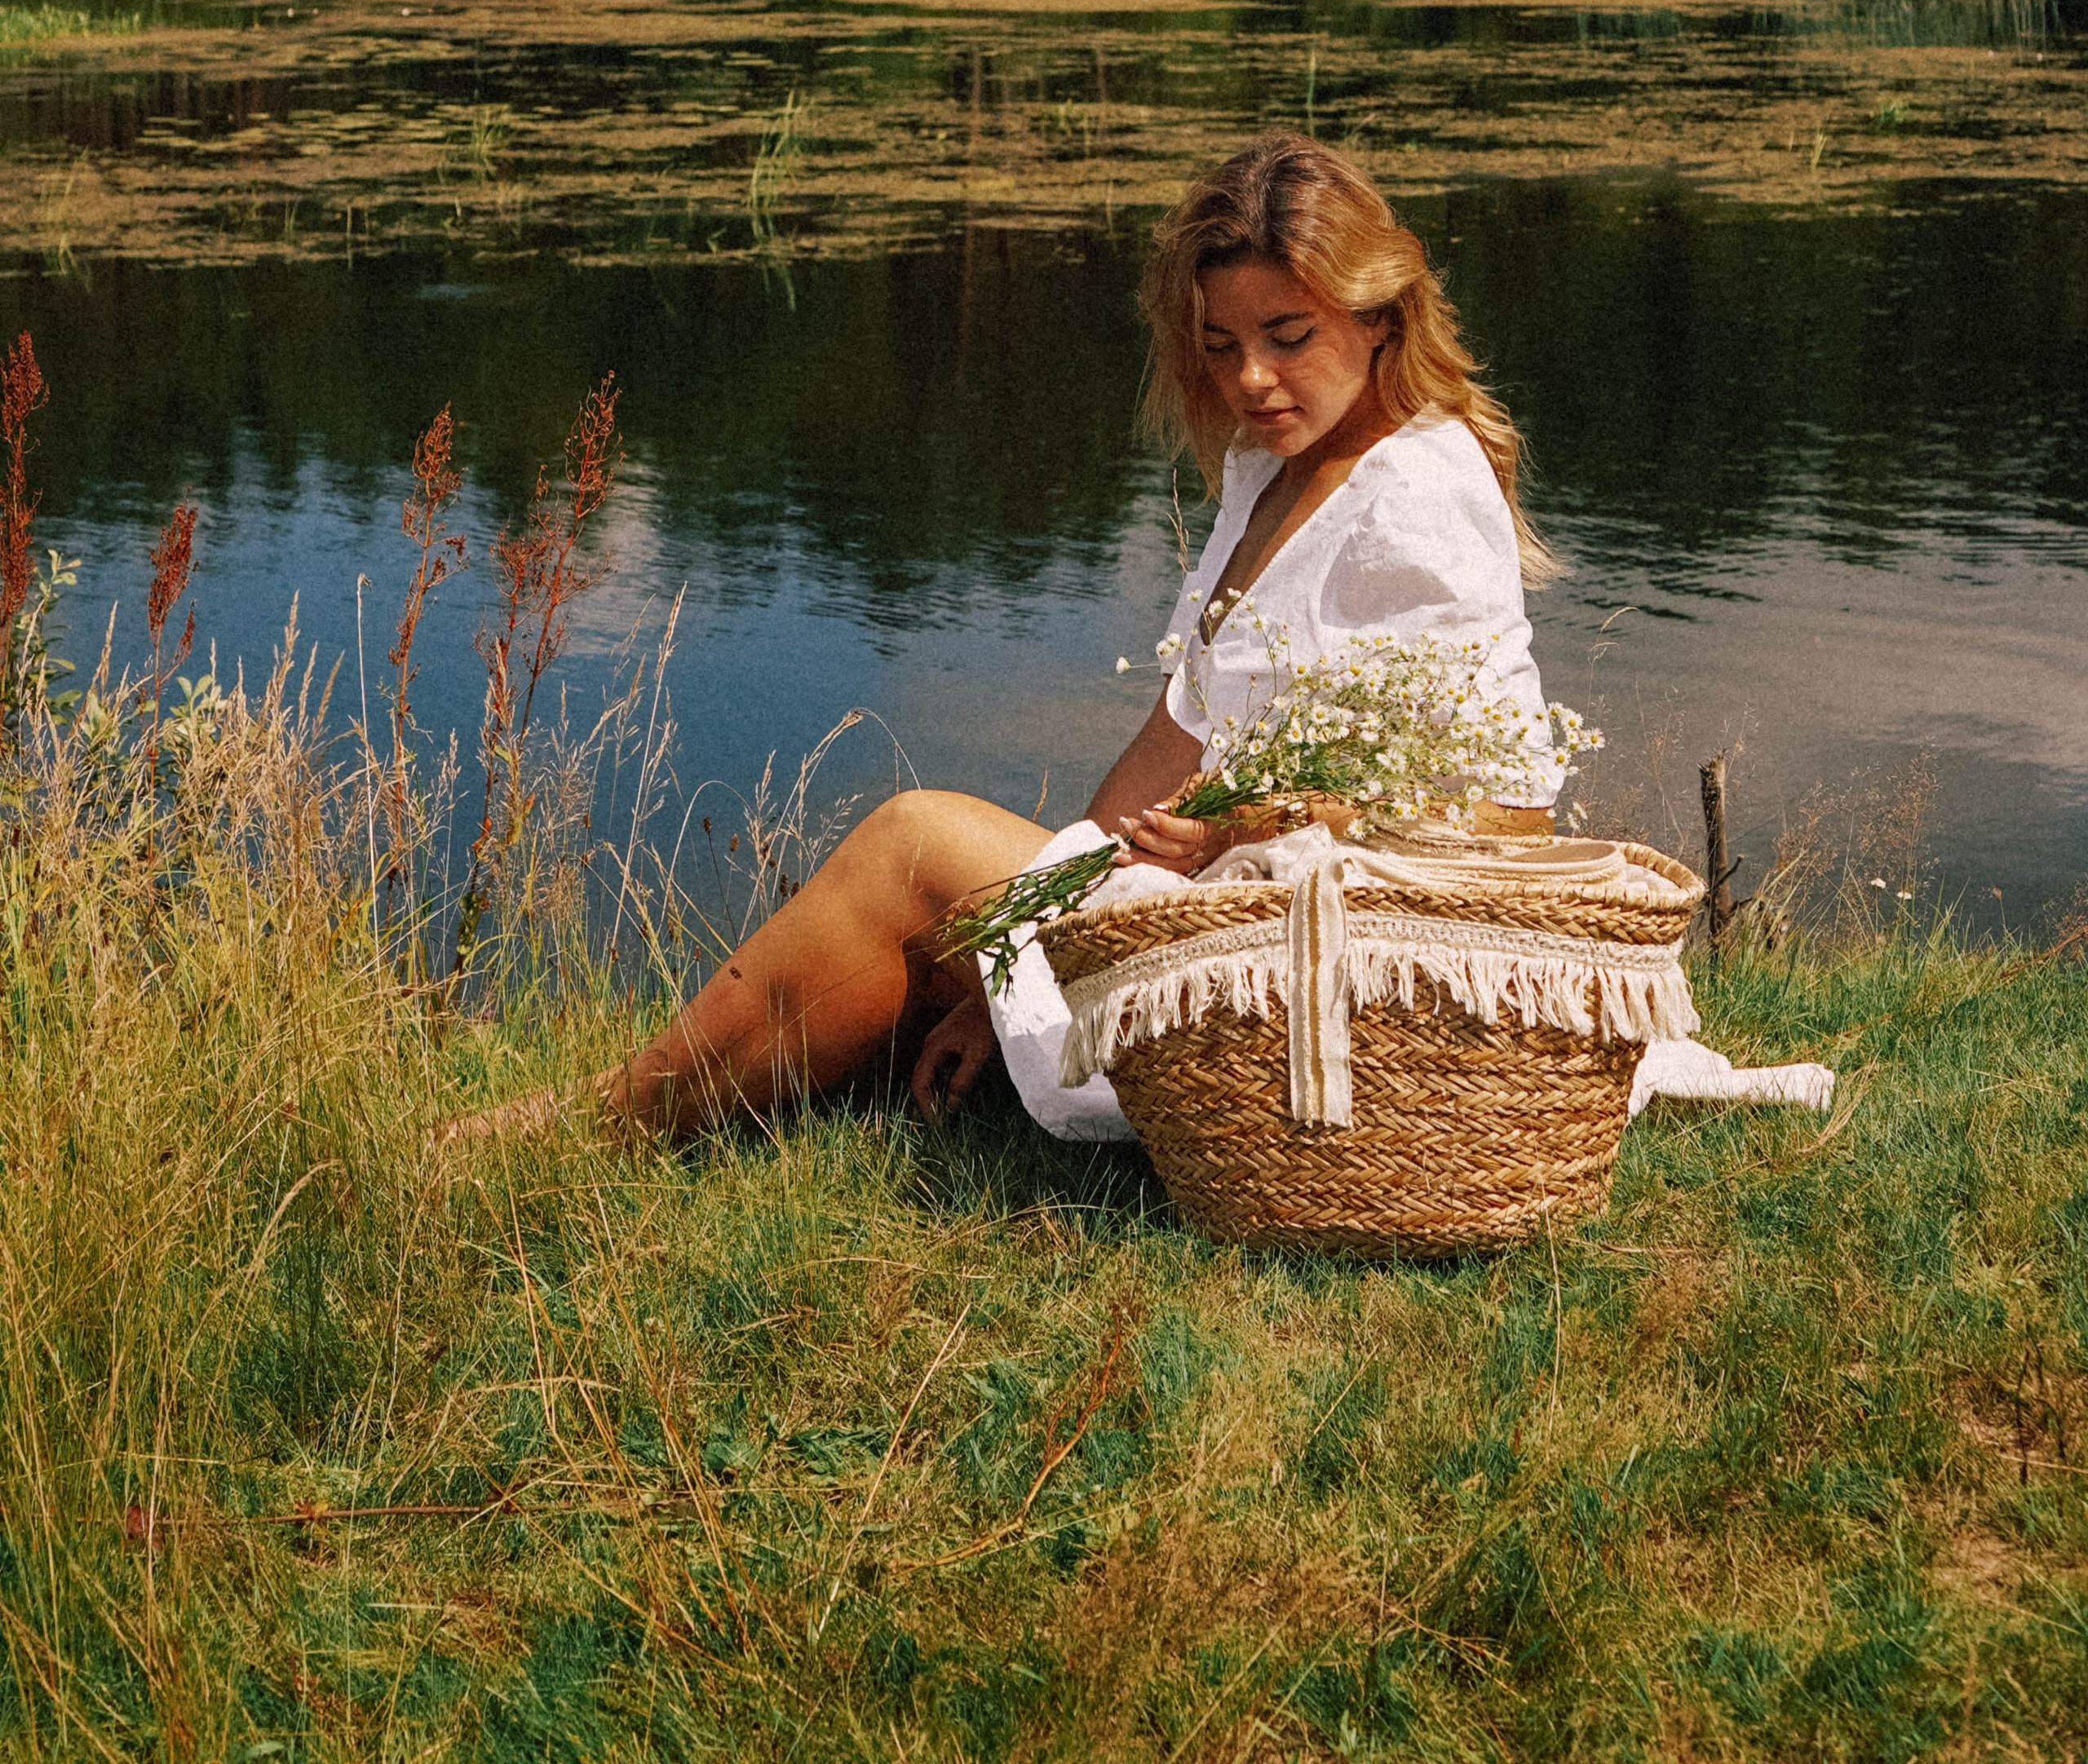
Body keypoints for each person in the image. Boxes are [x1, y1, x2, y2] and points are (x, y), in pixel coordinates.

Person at [490, 132, 1562, 1144]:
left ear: (1380, 316)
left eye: (1290, 339)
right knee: (934, 942)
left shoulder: (1414, 491)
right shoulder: (1273, 470)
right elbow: (1172, 743)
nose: (1250, 383)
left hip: (1338, 961)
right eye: (1222, 345)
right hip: (1230, 910)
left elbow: (1511, 822)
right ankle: (647, 1109)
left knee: (915, 842)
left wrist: (1270, 821)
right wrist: (1029, 946)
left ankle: (586, 1132)